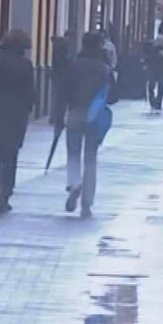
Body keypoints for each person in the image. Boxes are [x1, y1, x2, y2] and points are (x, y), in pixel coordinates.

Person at [0, 29, 36, 214]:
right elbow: (30, 92)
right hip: (16, 115)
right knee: (11, 155)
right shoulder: (25, 65)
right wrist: (26, 108)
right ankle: (7, 191)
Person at [58, 31, 112, 218]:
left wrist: (58, 117)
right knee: (90, 158)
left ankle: (74, 185)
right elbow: (112, 96)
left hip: (75, 112)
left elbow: (62, 92)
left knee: (73, 153)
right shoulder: (103, 69)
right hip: (94, 115)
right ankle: (87, 203)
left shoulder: (73, 66)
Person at [145, 38, 163, 114]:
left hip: (153, 72)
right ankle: (158, 104)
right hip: (162, 73)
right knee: (161, 90)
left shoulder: (151, 50)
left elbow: (149, 60)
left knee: (151, 88)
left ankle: (152, 102)